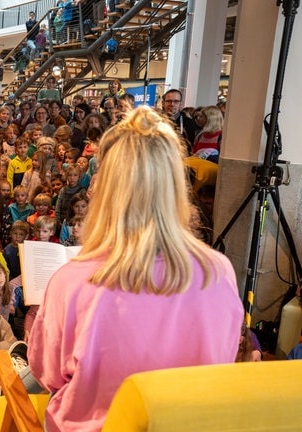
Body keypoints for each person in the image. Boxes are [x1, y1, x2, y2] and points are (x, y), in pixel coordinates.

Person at [28, 106, 244, 431]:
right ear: (173, 185)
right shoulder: (219, 272)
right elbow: (222, 361)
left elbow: (48, 374)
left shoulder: (72, 281)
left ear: (107, 188)